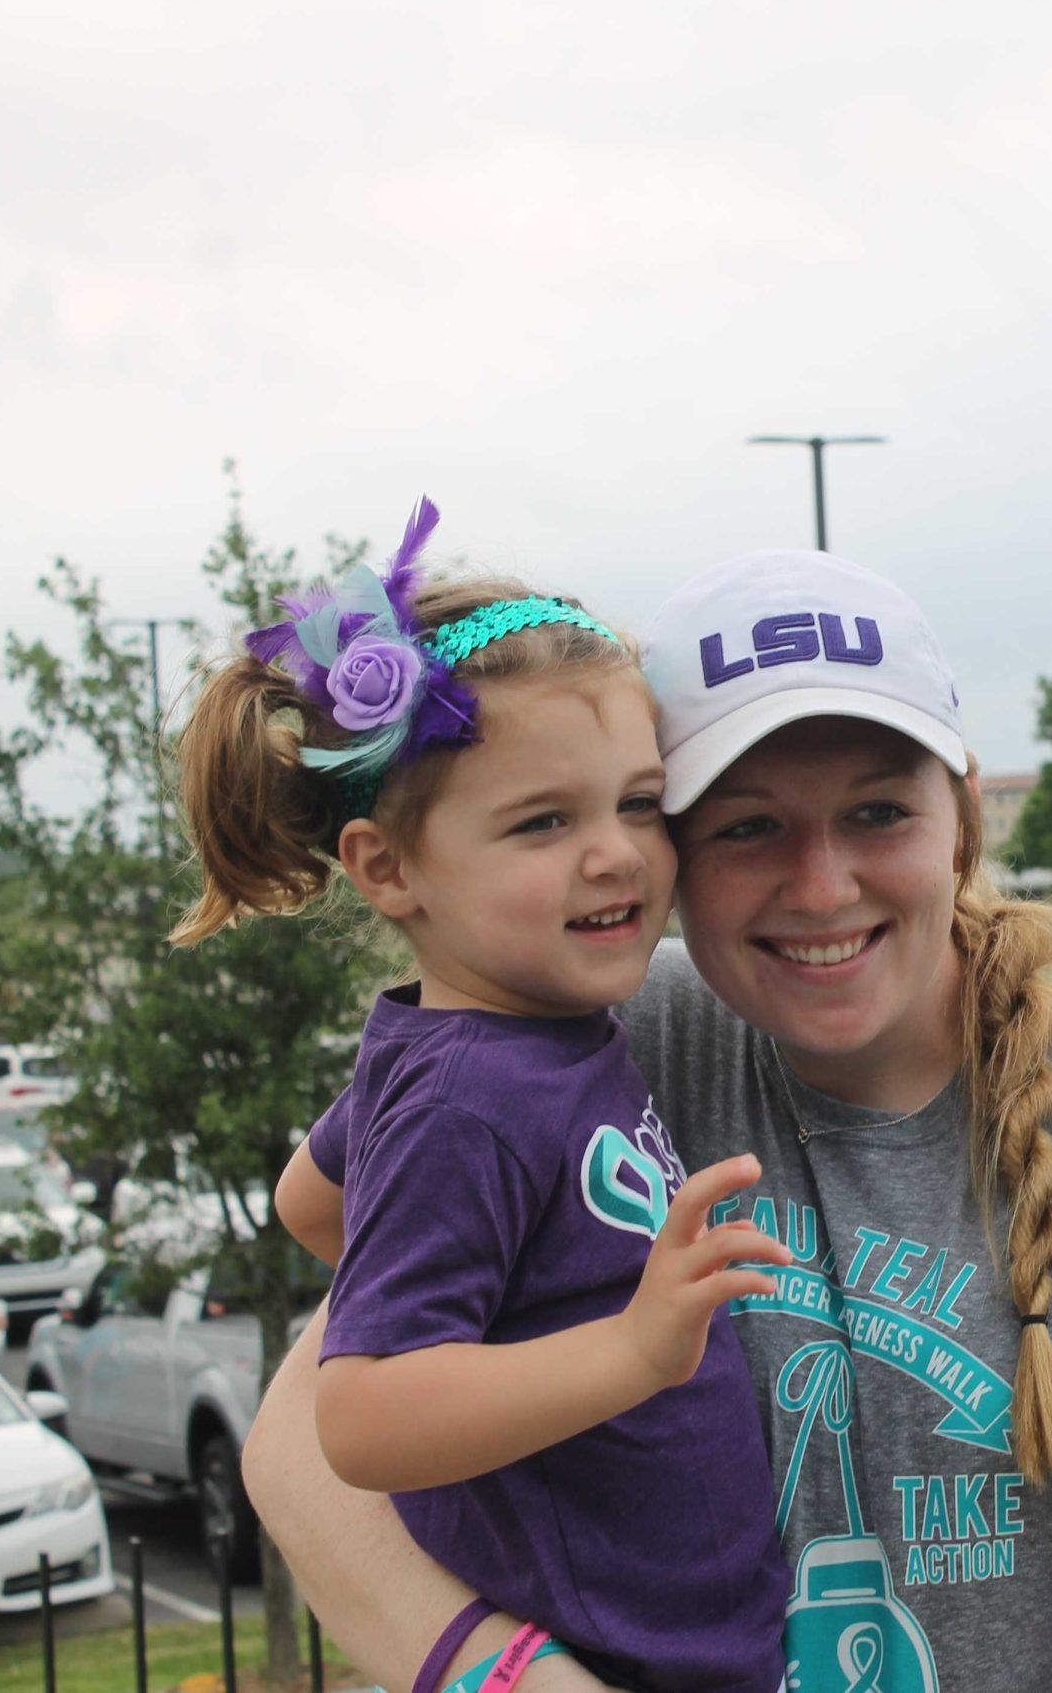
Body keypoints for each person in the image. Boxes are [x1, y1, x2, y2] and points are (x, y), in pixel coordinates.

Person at [243, 547, 1052, 1693]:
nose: (822, 886)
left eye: (878, 812)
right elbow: (309, 1433)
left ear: (960, 819)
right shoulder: (595, 1035)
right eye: (747, 827)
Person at [181, 498, 794, 1693]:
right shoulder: (472, 1094)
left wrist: (506, 1305)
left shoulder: (493, 1039)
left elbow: (309, 1203)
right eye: (541, 821)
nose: (616, 853)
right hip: (625, 1659)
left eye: (636, 802)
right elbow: (358, 1420)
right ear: (388, 867)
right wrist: (625, 1350)